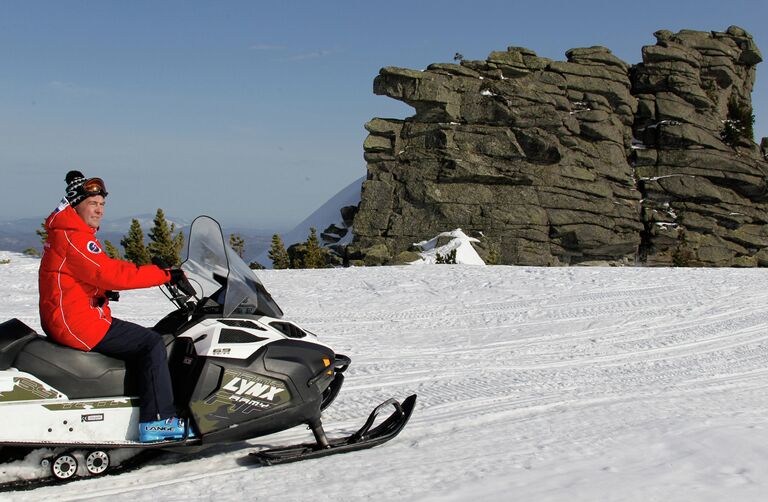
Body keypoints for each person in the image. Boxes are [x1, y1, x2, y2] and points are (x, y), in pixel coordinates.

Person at [38, 170, 193, 443]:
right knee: (151, 343)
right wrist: (165, 274)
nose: (99, 210)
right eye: (92, 204)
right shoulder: (74, 237)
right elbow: (111, 273)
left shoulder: (68, 232)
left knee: (142, 340)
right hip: (78, 322)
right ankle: (158, 422)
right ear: (75, 205)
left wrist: (100, 292)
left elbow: (86, 275)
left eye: (101, 204)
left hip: (71, 316)